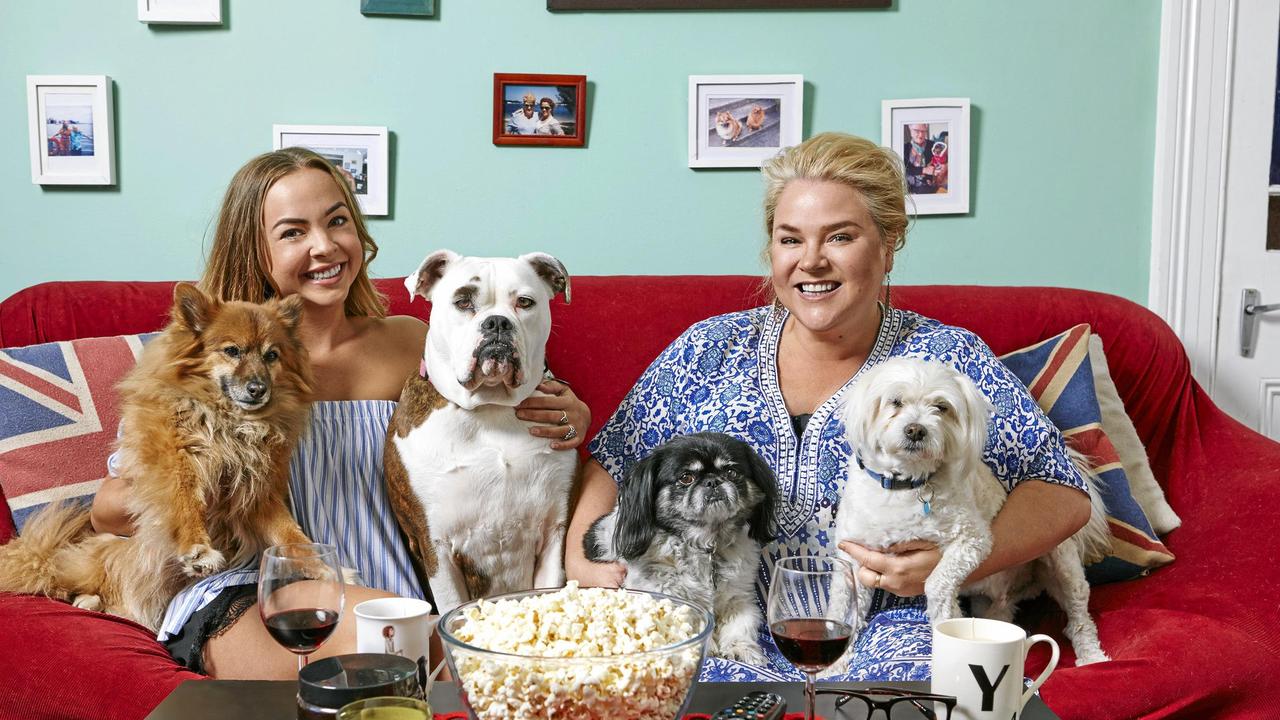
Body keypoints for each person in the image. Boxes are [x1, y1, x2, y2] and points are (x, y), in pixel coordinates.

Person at [565, 132, 1091, 682]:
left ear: (888, 246)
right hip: (717, 623)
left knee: (925, 691)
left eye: (839, 237)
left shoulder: (944, 359)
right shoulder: (706, 350)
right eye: (790, 240)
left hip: (891, 626)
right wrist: (582, 564)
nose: (811, 262)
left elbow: (1061, 491)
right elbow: (615, 457)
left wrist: (950, 566)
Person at [90, 147, 591, 679]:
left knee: (441, 643)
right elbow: (107, 510)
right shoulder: (213, 359)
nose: (324, 246)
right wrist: (210, 489)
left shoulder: (413, 342)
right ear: (254, 250)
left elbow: (507, 424)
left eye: (337, 221)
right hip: (256, 592)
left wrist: (572, 415)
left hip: (400, 590)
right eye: (292, 232)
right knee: (459, 655)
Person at [903, 123, 943, 194]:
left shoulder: (934, 146)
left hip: (928, 188)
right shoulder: (904, 148)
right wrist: (924, 170)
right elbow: (904, 168)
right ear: (910, 128)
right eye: (917, 131)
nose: (921, 135)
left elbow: (941, 162)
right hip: (908, 188)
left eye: (923, 131)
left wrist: (938, 169)